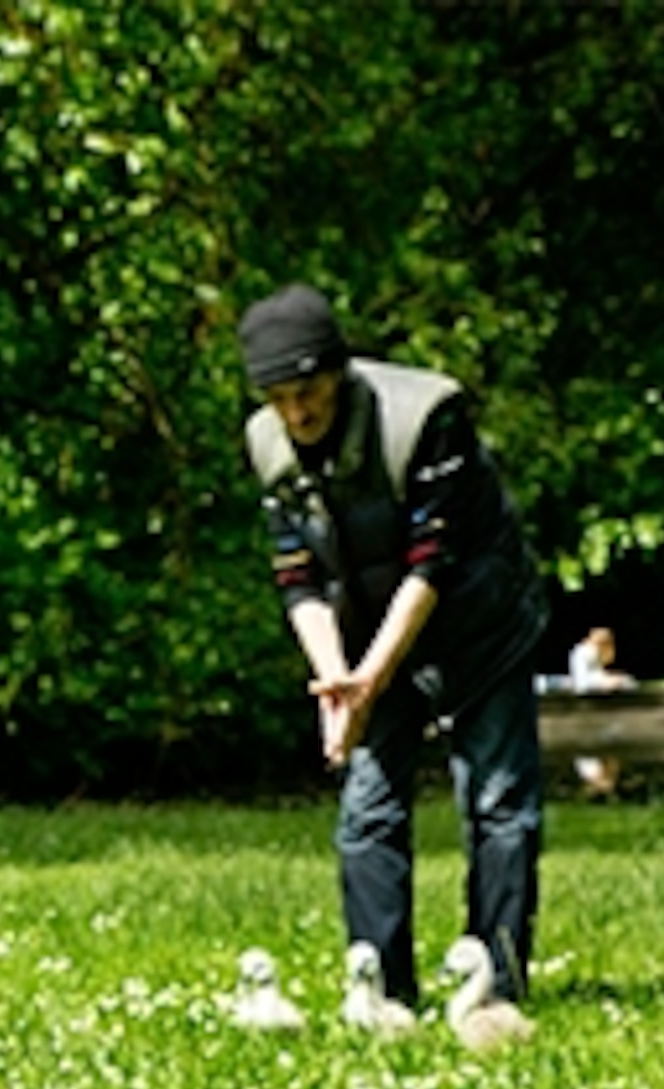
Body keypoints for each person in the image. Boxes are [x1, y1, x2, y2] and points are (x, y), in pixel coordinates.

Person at [239, 283, 550, 1022]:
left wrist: (371, 677)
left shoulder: (426, 420)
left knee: (499, 803)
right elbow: (297, 574)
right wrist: (337, 682)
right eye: (279, 398)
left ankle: (496, 985)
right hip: (372, 629)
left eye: (308, 393)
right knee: (367, 811)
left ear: (339, 373)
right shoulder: (267, 442)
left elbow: (429, 564)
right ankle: (383, 990)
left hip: (478, 620)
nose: (297, 414)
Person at [561, 625, 634, 797]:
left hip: (587, 684)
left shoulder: (586, 651)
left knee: (624, 681)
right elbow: (586, 680)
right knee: (626, 682)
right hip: (586, 687)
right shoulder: (587, 651)